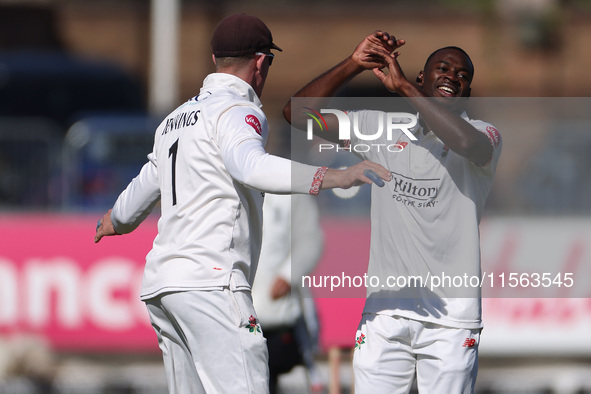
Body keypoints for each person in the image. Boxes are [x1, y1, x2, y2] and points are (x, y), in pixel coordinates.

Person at [93, 14, 390, 394]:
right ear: (262, 61)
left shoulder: (175, 119)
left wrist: (115, 219)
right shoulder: (238, 109)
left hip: (162, 286)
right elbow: (249, 166)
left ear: (215, 57)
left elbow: (147, 181)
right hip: (212, 283)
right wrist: (334, 177)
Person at [283, 31, 502, 393]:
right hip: (385, 312)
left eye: (463, 75)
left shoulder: (484, 134)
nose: (452, 77)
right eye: (442, 68)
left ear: (468, 92)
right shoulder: (378, 129)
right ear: (422, 77)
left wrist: (402, 88)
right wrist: (353, 64)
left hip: (452, 320)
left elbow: (466, 144)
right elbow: (298, 114)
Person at [252, 193, 325, 393]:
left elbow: (310, 239)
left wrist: (288, 275)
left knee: (266, 378)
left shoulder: (290, 187)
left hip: (276, 319)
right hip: (231, 311)